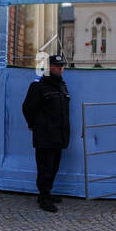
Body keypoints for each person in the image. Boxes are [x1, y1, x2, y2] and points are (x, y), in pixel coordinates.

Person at [24, 53, 72, 211]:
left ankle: (47, 192)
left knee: (54, 167)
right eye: (57, 67)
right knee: (45, 167)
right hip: (45, 136)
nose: (61, 69)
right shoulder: (38, 86)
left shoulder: (62, 86)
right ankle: (43, 197)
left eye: (62, 67)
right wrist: (34, 125)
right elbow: (28, 108)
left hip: (59, 135)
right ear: (49, 68)